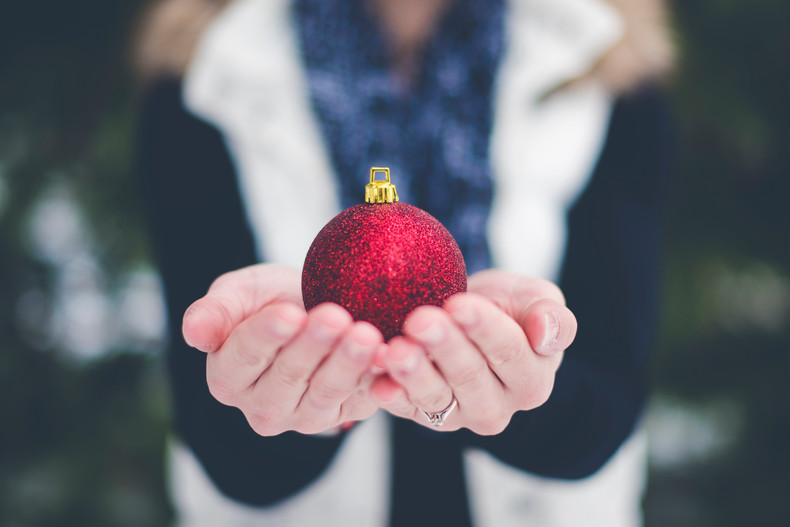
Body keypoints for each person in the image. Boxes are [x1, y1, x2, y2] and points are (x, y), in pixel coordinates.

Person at [134, 0, 674, 525]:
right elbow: (222, 445)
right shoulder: (207, 69)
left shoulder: (604, 60)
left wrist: (520, 388)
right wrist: (299, 403)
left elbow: (612, 388)